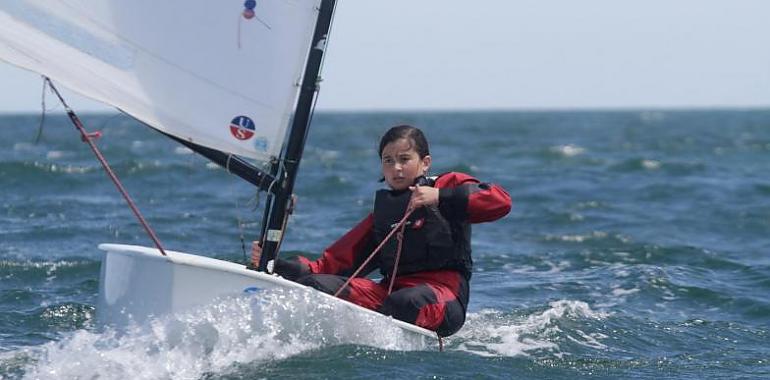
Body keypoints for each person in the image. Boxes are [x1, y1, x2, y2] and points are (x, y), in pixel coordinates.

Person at [252, 125, 511, 337]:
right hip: (389, 296)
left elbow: (500, 202)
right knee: (315, 286)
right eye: (388, 161)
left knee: (405, 302)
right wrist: (278, 265)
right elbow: (332, 264)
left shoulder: (447, 185)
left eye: (404, 159)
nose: (396, 168)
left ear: (425, 163)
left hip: (444, 297)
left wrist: (441, 196)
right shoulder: (384, 214)